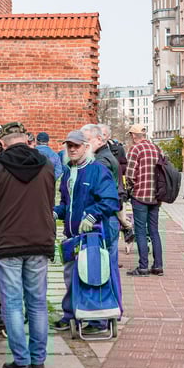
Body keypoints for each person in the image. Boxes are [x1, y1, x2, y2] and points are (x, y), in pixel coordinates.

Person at [0, 131, 55, 368]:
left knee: (12, 302)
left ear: (3, 144)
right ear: (28, 142)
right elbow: (49, 202)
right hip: (40, 239)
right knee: (38, 302)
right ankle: (38, 357)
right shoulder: (47, 165)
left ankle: (21, 360)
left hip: (7, 241)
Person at [51, 130, 119, 332]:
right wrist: (55, 213)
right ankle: (71, 314)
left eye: (76, 146)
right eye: (69, 146)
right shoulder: (67, 173)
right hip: (73, 235)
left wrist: (92, 215)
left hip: (94, 236)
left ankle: (98, 319)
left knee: (93, 275)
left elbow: (110, 200)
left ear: (86, 147)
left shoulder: (97, 170)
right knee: (71, 274)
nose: (72, 149)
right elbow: (66, 204)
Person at [80, 124, 123, 332]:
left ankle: (104, 316)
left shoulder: (101, 161)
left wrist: (92, 213)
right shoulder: (102, 158)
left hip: (104, 221)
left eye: (87, 141)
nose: (84, 145)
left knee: (103, 268)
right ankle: (112, 311)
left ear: (100, 140)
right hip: (107, 219)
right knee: (108, 267)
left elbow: (109, 198)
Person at [125, 124, 164, 276]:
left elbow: (129, 174)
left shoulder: (136, 149)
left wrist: (132, 187)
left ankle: (143, 267)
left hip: (140, 196)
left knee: (140, 231)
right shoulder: (156, 149)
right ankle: (158, 266)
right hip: (155, 197)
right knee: (154, 231)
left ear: (134, 136)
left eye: (131, 135)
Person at [99, 124, 135, 243]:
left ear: (108, 136)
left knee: (121, 217)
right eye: (99, 134)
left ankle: (128, 228)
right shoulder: (93, 150)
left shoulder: (117, 149)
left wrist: (117, 166)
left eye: (103, 134)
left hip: (118, 186)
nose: (101, 137)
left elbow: (125, 165)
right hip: (104, 190)